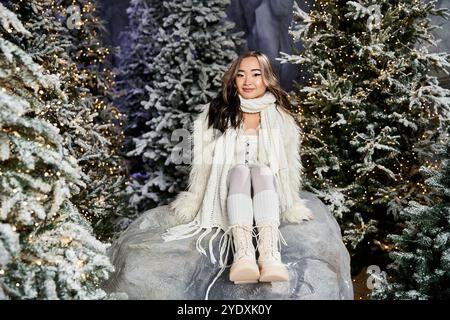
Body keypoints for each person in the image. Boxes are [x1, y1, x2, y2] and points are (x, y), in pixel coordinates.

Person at [163, 51, 313, 299]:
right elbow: (204, 164)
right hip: (230, 186)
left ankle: (268, 254)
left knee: (262, 171)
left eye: (256, 74)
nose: (248, 81)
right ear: (233, 80)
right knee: (242, 170)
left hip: (268, 186)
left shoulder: (280, 116)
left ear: (267, 79)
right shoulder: (217, 112)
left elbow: (288, 165)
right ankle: (243, 254)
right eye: (240, 75)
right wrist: (194, 198)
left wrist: (293, 203)